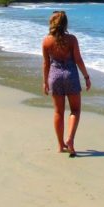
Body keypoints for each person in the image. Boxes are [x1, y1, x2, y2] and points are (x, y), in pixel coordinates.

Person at [42, 10, 91, 157]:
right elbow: (78, 60)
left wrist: (45, 81)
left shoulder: (46, 41)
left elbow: (46, 64)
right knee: (75, 110)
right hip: (71, 75)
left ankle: (60, 145)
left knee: (58, 112)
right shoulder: (72, 39)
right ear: (65, 24)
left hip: (55, 76)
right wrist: (86, 76)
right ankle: (70, 140)